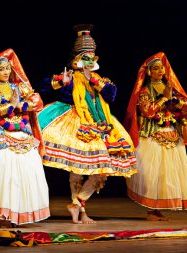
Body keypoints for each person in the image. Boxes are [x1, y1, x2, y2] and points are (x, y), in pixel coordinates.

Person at [37, 24, 137, 224]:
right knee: (79, 167)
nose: (90, 61)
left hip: (101, 123)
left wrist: (95, 81)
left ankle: (78, 203)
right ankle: (80, 210)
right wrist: (61, 81)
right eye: (86, 57)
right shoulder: (71, 78)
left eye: (92, 57)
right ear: (76, 60)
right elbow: (44, 87)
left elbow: (112, 95)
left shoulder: (99, 79)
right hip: (75, 121)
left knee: (103, 168)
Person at [0, 48, 50, 227]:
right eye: (1, 69)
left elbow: (37, 102)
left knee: (25, 174)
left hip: (22, 135)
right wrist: (10, 107)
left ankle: (18, 214)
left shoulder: (20, 87)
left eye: (8, 69)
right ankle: (2, 215)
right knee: (1, 176)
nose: (6, 72)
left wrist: (19, 105)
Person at [124, 52, 187, 221]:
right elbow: (147, 111)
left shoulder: (169, 87)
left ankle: (157, 210)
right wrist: (164, 98)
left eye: (161, 68)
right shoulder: (145, 91)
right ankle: (151, 211)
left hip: (171, 133)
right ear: (149, 72)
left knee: (170, 173)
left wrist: (176, 101)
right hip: (152, 135)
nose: (160, 72)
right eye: (155, 69)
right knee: (152, 173)